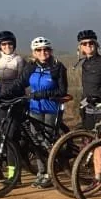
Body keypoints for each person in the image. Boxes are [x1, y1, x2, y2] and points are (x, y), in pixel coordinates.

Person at [19, 37, 69, 189]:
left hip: (52, 108)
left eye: (46, 49)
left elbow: (62, 90)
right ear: (33, 52)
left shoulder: (57, 66)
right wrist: (3, 94)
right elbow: (20, 83)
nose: (43, 52)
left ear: (50, 51)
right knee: (36, 140)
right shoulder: (31, 66)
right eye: (39, 50)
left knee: (48, 142)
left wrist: (43, 94)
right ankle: (41, 172)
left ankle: (49, 173)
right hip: (35, 108)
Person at [75, 29, 101, 130]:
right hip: (88, 109)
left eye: (91, 42)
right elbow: (86, 88)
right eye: (84, 43)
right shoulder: (84, 64)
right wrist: (82, 105)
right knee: (90, 140)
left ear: (96, 44)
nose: (88, 45)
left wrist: (99, 97)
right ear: (81, 47)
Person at [0, 31, 25, 99]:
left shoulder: (20, 60)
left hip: (16, 98)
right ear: (0, 46)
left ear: (14, 44)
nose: (7, 46)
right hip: (2, 97)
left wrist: (0, 96)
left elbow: (20, 83)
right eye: (4, 44)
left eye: (10, 43)